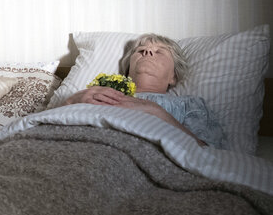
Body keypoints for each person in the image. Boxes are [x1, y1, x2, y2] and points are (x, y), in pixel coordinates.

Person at [64, 33, 224, 148]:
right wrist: (71, 102)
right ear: (127, 69)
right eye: (140, 50)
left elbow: (208, 154)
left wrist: (155, 112)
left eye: (159, 51)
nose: (147, 52)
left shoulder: (188, 105)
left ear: (173, 76)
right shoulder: (100, 93)